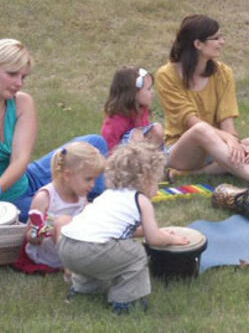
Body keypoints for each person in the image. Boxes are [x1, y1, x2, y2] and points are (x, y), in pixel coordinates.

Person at [58, 142, 189, 315]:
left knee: (100, 251)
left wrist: (157, 232)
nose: (157, 188)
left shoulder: (108, 195)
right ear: (145, 179)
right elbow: (153, 239)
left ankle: (83, 290)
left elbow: (122, 229)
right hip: (90, 249)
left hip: (66, 246)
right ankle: (126, 302)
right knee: (136, 254)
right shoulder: (141, 200)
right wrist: (172, 239)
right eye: (156, 181)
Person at [155, 15, 249, 184]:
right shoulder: (166, 75)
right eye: (216, 38)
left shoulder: (224, 73)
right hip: (183, 150)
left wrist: (235, 143)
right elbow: (192, 123)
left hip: (217, 147)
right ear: (198, 44)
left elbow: (227, 124)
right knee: (202, 130)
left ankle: (195, 174)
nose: (222, 42)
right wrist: (229, 140)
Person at [0, 39, 107, 222]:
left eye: (23, 77)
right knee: (45, 216)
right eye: (12, 74)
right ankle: (83, 208)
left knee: (94, 144)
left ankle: (86, 201)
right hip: (8, 203)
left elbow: (20, 159)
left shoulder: (21, 103)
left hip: (27, 179)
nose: (19, 83)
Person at [20, 142, 105, 271]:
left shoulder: (81, 194)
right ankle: (71, 270)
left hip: (74, 244)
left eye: (94, 179)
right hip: (49, 252)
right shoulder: (45, 197)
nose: (93, 185)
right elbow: (30, 235)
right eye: (88, 179)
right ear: (67, 175)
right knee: (62, 222)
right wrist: (37, 233)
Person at [100, 66, 164, 153]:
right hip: (120, 159)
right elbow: (108, 145)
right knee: (136, 136)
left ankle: (153, 160)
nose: (152, 92)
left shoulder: (141, 108)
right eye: (148, 89)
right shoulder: (116, 119)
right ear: (134, 93)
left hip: (138, 151)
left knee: (157, 129)